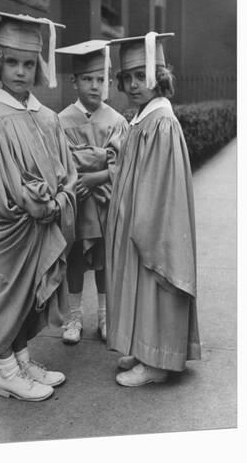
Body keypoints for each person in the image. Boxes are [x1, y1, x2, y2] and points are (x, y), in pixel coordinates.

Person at [0, 8, 77, 401]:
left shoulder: (45, 116)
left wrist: (58, 198)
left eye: (28, 64)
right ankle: (6, 374)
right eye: (12, 62)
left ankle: (22, 361)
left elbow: (67, 171)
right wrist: (39, 206)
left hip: (42, 223)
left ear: (38, 67)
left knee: (30, 295)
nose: (20, 71)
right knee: (11, 294)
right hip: (12, 227)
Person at [105, 32, 201, 386]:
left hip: (153, 224)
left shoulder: (161, 123)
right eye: (127, 77)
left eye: (141, 75)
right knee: (140, 284)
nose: (132, 85)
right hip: (138, 219)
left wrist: (138, 224)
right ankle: (145, 347)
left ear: (159, 76)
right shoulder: (145, 118)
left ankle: (158, 361)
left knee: (154, 277)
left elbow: (159, 187)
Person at [56, 40, 128, 344]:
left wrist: (97, 173)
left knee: (103, 260)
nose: (94, 86)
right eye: (87, 79)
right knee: (74, 259)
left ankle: (104, 315)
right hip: (76, 203)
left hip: (104, 202)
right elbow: (60, 164)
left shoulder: (117, 121)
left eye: (100, 80)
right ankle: (73, 317)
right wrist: (98, 159)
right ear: (74, 81)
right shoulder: (60, 121)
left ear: (109, 82)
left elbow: (122, 165)